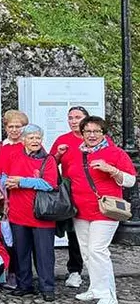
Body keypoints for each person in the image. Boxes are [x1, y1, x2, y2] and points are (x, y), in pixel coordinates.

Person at [64, 115, 136, 304]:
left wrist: (111, 170)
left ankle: (108, 294)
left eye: (97, 131)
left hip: (105, 210)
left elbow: (130, 180)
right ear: (82, 133)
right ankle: (96, 288)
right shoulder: (75, 154)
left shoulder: (115, 153)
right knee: (87, 252)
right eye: (88, 131)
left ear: (103, 133)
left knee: (98, 250)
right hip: (81, 211)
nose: (92, 135)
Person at [1, 124, 59, 301]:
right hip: (18, 213)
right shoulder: (14, 156)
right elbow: (4, 176)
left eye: (38, 138)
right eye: (31, 138)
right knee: (20, 252)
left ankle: (47, 287)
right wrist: (7, 183)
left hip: (41, 216)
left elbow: (50, 184)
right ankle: (24, 284)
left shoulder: (48, 160)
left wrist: (22, 182)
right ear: (24, 140)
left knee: (44, 254)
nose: (35, 141)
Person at [49, 105, 90, 289]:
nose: (74, 121)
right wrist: (58, 153)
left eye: (77, 117)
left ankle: (90, 269)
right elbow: (49, 164)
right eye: (71, 118)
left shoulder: (96, 138)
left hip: (91, 193)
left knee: (89, 234)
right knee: (72, 232)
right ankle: (74, 270)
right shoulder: (63, 139)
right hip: (69, 193)